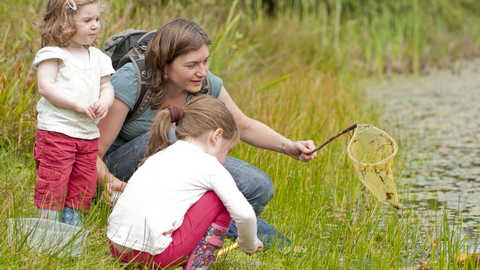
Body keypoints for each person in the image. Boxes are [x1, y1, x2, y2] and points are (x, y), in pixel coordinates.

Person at [97, 18, 316, 237]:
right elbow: (91, 151)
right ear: (165, 66)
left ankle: (199, 219)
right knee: (173, 138)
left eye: (205, 61)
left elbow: (245, 126)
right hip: (121, 171)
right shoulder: (132, 82)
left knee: (259, 185)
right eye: (192, 65)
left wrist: (289, 146)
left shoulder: (205, 84)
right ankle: (251, 233)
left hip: (180, 172)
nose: (202, 71)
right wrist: (111, 184)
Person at [107, 95, 263, 269]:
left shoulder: (160, 154)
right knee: (220, 198)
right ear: (217, 136)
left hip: (116, 247)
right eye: (228, 150)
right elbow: (245, 214)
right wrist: (249, 244)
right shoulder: (209, 165)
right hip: (154, 257)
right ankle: (197, 266)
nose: (225, 159)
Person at [32, 0, 115, 226]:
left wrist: (104, 102)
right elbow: (45, 86)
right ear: (64, 22)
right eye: (87, 20)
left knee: (82, 182)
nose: (95, 26)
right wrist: (77, 103)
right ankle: (47, 225)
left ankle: (71, 227)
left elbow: (106, 87)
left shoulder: (98, 57)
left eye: (97, 19)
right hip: (57, 132)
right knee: (54, 179)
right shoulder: (53, 54)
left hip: (87, 136)